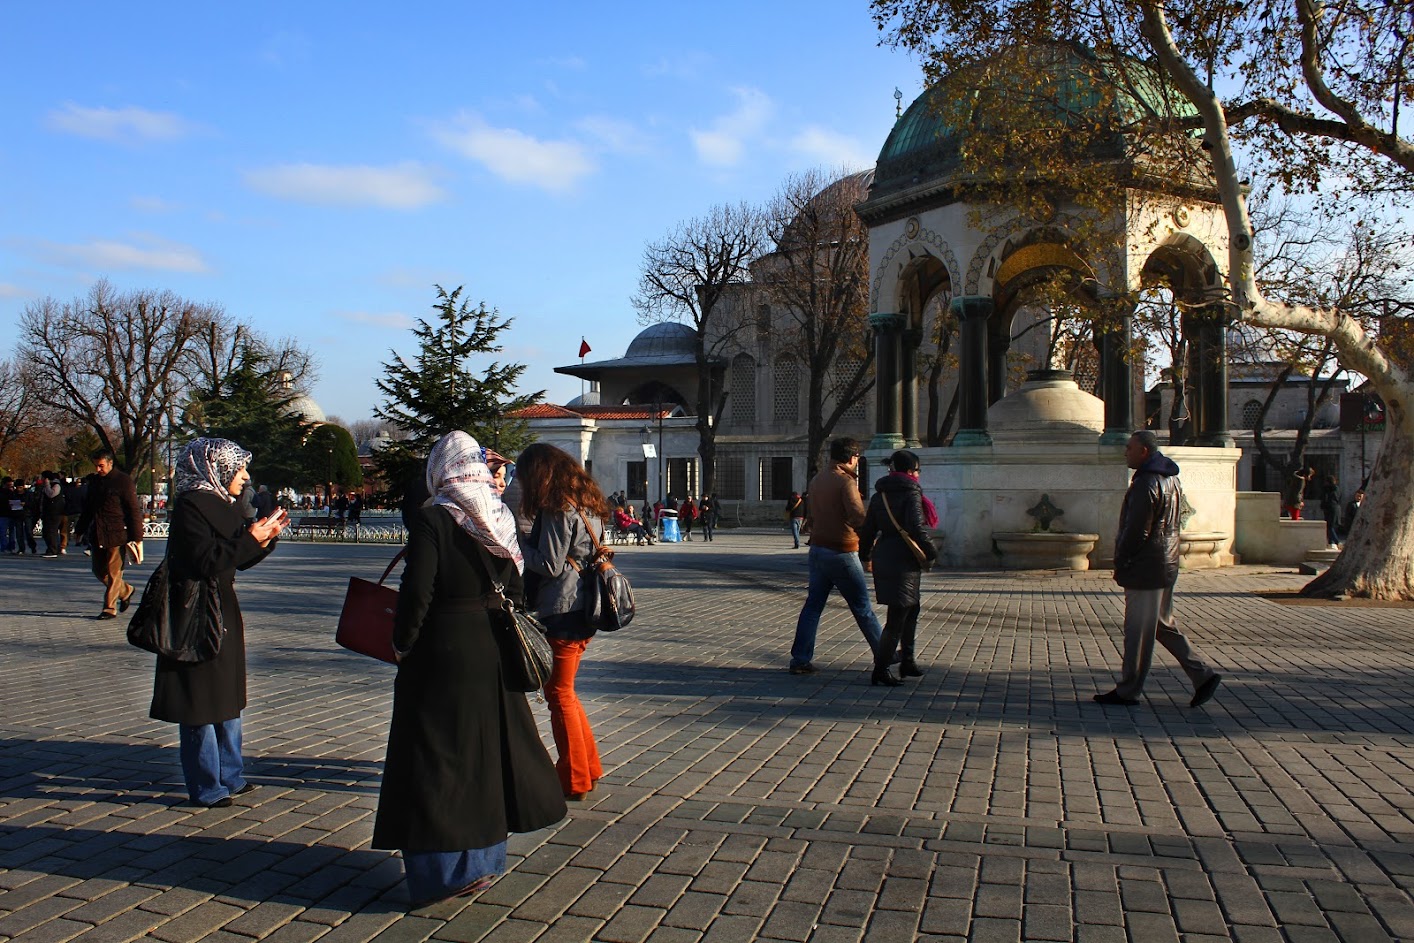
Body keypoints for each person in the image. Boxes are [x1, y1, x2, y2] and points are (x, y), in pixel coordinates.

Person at [372, 432, 564, 908]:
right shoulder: (497, 516)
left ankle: (441, 873)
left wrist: (403, 643)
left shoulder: (435, 517)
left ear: (440, 469)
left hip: (441, 651)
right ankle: (483, 861)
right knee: (486, 754)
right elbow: (519, 592)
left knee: (434, 758)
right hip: (492, 651)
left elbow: (418, 593)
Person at [150, 438, 289, 808]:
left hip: (222, 607)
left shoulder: (223, 504)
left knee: (227, 697)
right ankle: (207, 783)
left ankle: (231, 773)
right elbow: (203, 560)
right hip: (196, 613)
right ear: (218, 469)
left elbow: (236, 559)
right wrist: (251, 540)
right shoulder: (192, 505)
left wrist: (264, 538)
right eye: (238, 468)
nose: (244, 477)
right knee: (199, 702)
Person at [1095, 431, 1222, 708]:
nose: (1125, 452)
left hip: (1146, 566)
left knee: (1138, 631)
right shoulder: (1171, 479)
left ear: (1143, 451)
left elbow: (1136, 530)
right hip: (1166, 562)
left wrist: (1122, 560)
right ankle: (1202, 675)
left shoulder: (1146, 483)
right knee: (1162, 626)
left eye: (1130, 448)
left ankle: (1128, 690)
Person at [514, 442, 610, 802]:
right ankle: (588, 767)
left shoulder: (558, 508)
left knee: (559, 694)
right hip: (586, 606)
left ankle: (574, 778)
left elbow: (549, 564)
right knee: (566, 692)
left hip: (564, 606)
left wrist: (518, 544)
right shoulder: (587, 503)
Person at [787, 437, 884, 675]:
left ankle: (800, 659)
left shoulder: (817, 479)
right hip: (842, 550)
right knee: (862, 607)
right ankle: (885, 653)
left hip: (818, 549)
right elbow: (857, 517)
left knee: (813, 606)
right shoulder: (845, 483)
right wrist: (869, 545)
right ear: (852, 458)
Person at [859, 450, 939, 687]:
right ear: (911, 470)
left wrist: (865, 556)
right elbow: (916, 526)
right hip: (903, 559)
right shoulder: (910, 494)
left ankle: (907, 660)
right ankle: (881, 669)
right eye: (918, 470)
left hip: (886, 555)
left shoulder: (879, 496)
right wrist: (932, 551)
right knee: (897, 616)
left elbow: (868, 530)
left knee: (911, 608)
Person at [75, 449, 144, 619]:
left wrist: (137, 538)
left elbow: (133, 510)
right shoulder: (95, 483)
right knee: (99, 571)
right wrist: (80, 529)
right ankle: (126, 591)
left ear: (110, 463)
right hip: (98, 533)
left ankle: (109, 608)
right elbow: (88, 509)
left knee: (114, 574)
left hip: (117, 534)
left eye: (101, 466)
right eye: (96, 466)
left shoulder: (123, 481)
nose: (98, 469)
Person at [39, 472, 66, 558]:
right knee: (47, 531)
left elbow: (51, 494)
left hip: (54, 512)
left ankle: (53, 550)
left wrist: (47, 485)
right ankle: (51, 548)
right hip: (48, 512)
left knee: (51, 531)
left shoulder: (56, 485)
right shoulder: (48, 485)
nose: (41, 479)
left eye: (43, 477)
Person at [1319, 475, 1341, 548]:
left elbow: (1325, 499)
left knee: (1329, 526)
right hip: (1337, 508)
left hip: (1330, 508)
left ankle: (1337, 541)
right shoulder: (1338, 489)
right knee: (1333, 526)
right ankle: (1331, 542)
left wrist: (1323, 506)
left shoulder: (1327, 489)